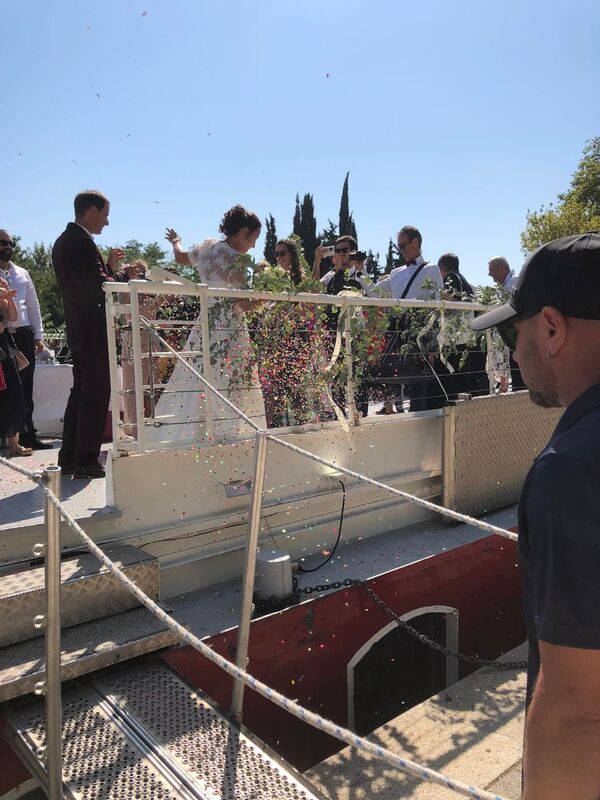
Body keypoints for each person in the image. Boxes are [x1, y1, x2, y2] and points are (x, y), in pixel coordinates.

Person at [471, 232, 600, 798]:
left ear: (551, 328)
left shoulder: (570, 470)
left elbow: (578, 710)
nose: (513, 353)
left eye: (510, 332)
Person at [52, 190, 139, 479]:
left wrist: (112, 270)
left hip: (80, 329)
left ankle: (69, 458)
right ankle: (86, 460)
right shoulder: (78, 241)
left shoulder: (67, 240)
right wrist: (127, 275)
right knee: (95, 393)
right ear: (91, 210)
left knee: (80, 394)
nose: (107, 222)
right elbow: (99, 288)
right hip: (92, 330)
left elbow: (91, 281)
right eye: (105, 214)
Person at [163, 205, 266, 440]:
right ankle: (225, 436)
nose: (253, 245)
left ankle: (192, 434)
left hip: (205, 327)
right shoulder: (237, 262)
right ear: (243, 233)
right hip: (230, 330)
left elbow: (180, 257)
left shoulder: (207, 248)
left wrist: (176, 241)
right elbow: (245, 305)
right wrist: (267, 294)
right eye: (253, 239)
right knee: (231, 382)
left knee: (198, 380)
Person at [364, 226, 445, 412]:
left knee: (420, 385)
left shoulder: (431, 269)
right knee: (400, 377)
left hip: (421, 333)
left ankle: (420, 424)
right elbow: (374, 294)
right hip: (400, 332)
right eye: (398, 247)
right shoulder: (395, 273)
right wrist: (361, 271)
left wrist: (433, 344)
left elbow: (437, 307)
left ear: (415, 243)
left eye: (403, 245)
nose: (400, 250)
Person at [0, 230, 50, 450]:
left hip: (22, 333)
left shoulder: (22, 273)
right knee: (5, 387)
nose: (7, 247)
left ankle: (26, 434)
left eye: (10, 243)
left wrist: (38, 335)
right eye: (2, 243)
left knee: (24, 387)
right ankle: (8, 437)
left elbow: (33, 305)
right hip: (2, 334)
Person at [313, 235, 369, 417]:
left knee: (358, 377)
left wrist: (362, 269)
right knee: (336, 377)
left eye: (344, 250)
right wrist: (317, 260)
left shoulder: (359, 273)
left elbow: (373, 295)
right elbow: (313, 291)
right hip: (333, 333)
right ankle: (339, 417)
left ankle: (361, 415)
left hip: (356, 332)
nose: (341, 254)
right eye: (337, 250)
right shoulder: (330, 275)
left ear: (352, 251)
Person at [438, 252, 488, 397]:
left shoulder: (450, 277)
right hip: (467, 336)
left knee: (456, 381)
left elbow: (451, 300)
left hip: (456, 339)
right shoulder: (465, 281)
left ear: (442, 267)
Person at [0, 275, 32, 457]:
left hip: (3, 347)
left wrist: (9, 297)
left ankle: (14, 444)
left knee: (14, 392)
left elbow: (12, 317)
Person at [488, 255, 525, 390]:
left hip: (517, 335)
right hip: (509, 336)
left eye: (491, 270)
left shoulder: (515, 282)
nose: (489, 274)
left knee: (519, 372)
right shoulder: (501, 287)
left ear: (502, 269)